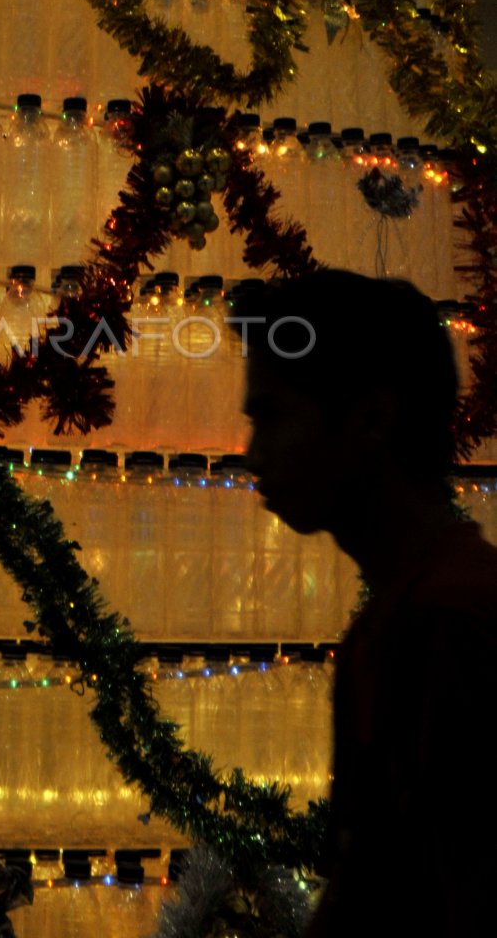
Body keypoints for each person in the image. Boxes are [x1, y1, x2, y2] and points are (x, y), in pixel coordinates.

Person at [234, 269, 497, 937]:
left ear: (372, 419)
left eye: (272, 416)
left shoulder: (444, 624)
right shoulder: (401, 620)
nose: (252, 455)